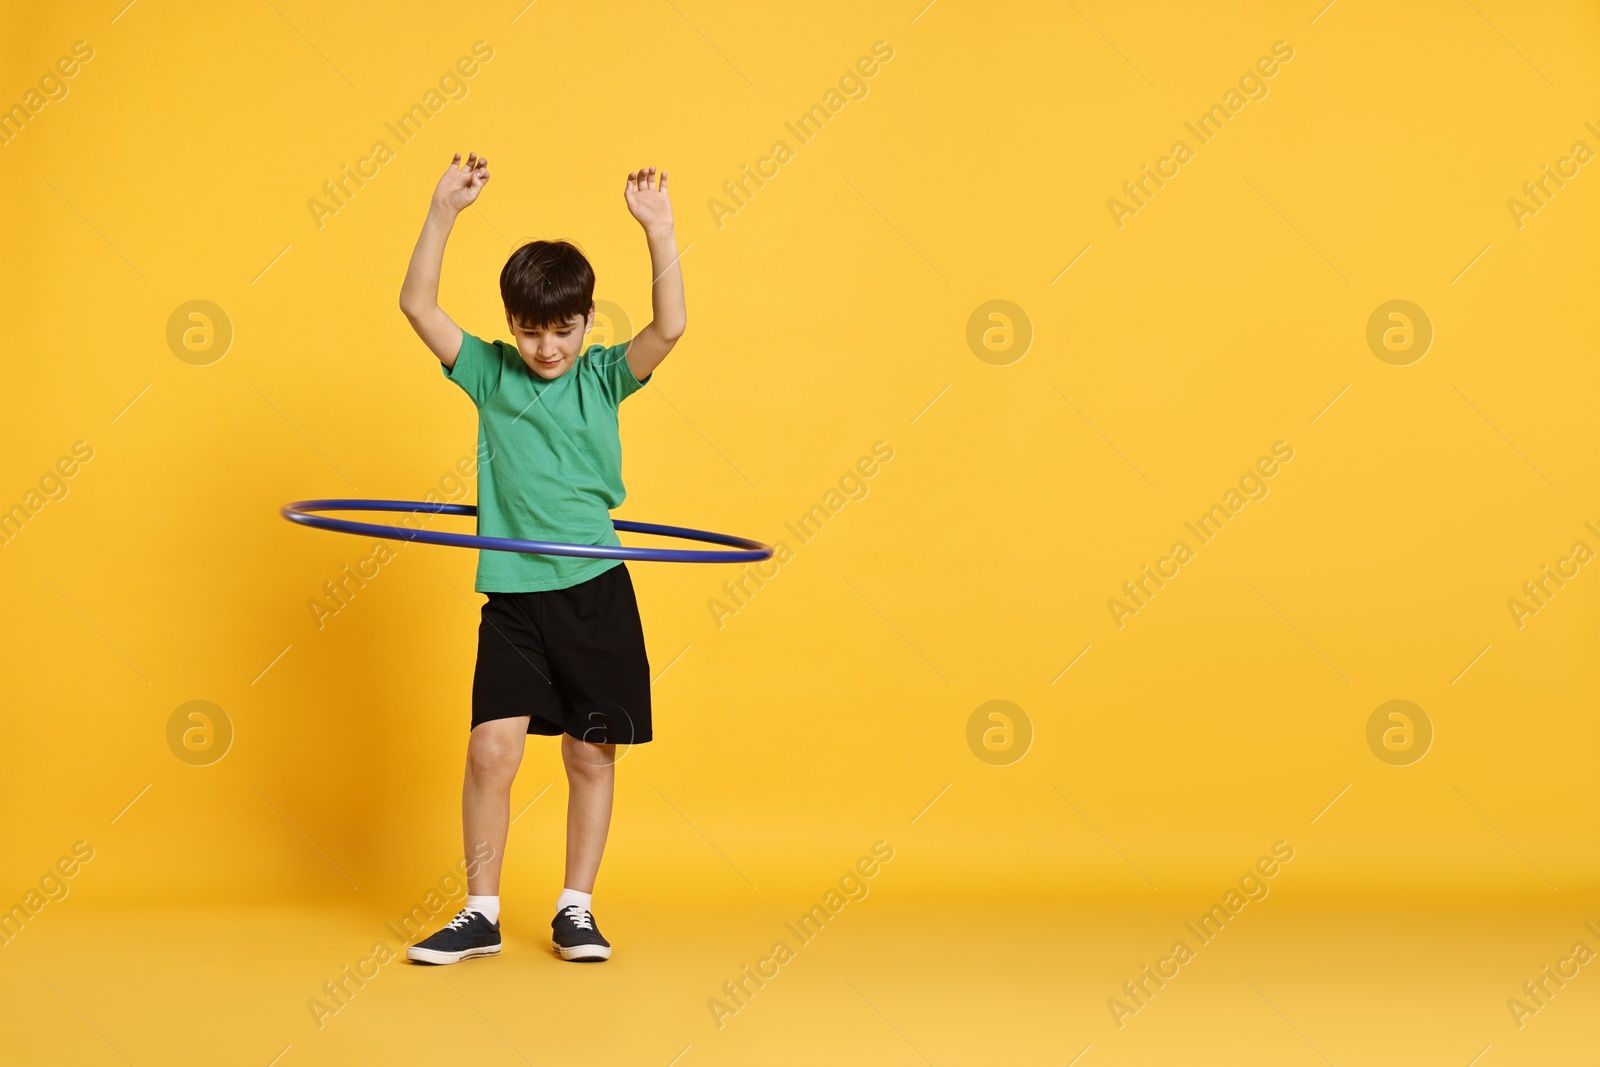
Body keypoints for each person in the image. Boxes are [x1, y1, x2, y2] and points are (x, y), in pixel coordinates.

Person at [396, 151, 684, 964]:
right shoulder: (489, 371)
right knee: (492, 748)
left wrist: (659, 230)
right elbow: (417, 303)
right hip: (515, 595)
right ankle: (479, 911)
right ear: (510, 323)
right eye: (531, 329)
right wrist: (442, 210)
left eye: (563, 329)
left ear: (589, 320)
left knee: (591, 751)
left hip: (594, 588)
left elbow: (670, 328)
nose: (548, 347)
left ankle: (575, 907)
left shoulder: (603, 377)